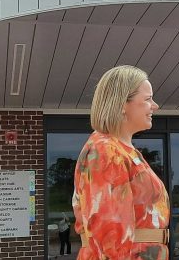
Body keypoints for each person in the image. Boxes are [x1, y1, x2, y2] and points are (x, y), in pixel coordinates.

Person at [72, 65, 170, 260]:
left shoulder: (123, 150)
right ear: (123, 104)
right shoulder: (106, 151)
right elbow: (110, 236)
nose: (155, 106)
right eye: (148, 99)